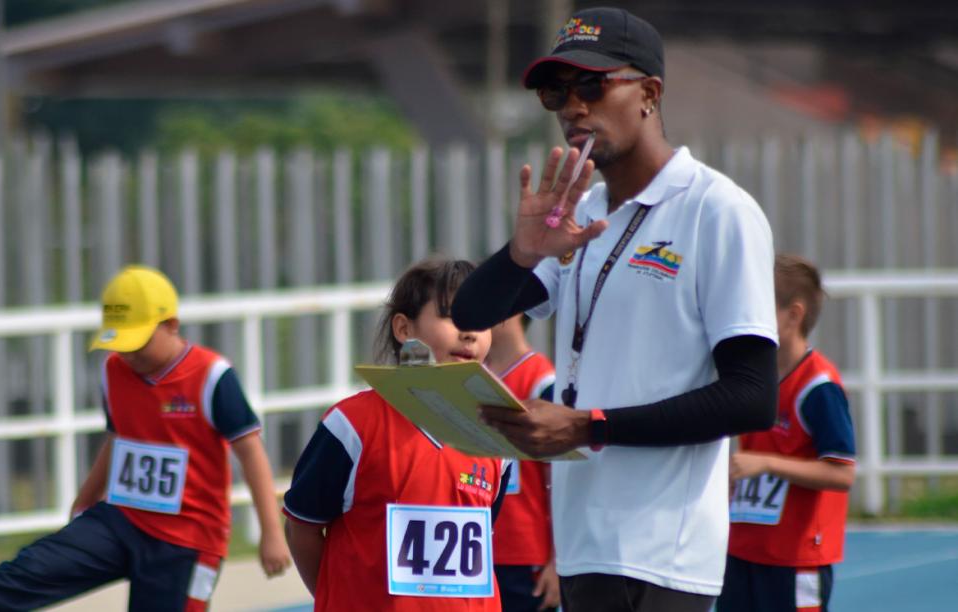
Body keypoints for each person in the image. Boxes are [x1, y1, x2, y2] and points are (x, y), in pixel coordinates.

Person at [450, 7, 779, 612]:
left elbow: (753, 396)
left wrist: (589, 426)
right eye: (557, 92)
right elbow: (469, 313)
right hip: (582, 542)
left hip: (663, 554)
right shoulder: (583, 211)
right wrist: (522, 254)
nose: (573, 108)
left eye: (593, 86)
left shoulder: (717, 210)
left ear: (650, 93)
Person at [0, 265, 291, 612]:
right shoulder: (114, 372)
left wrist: (271, 532)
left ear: (172, 325)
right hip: (121, 519)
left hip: (186, 542)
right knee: (30, 569)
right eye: (121, 344)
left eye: (138, 344)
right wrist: (86, 498)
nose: (129, 355)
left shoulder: (212, 377)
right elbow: (119, 437)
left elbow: (251, 453)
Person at [283, 258, 513, 611]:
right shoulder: (351, 426)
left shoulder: (501, 438)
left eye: (482, 321)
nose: (470, 332)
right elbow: (303, 530)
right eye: (454, 316)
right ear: (404, 329)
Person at [716, 254, 856, 612]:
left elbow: (841, 473)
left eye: (756, 306)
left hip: (796, 558)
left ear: (793, 315)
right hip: (741, 550)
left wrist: (766, 464)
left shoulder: (818, 387)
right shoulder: (753, 376)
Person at [485, 315, 559, 612]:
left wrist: (558, 561)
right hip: (477, 551)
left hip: (526, 557)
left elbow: (562, 477)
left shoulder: (541, 380)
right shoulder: (473, 377)